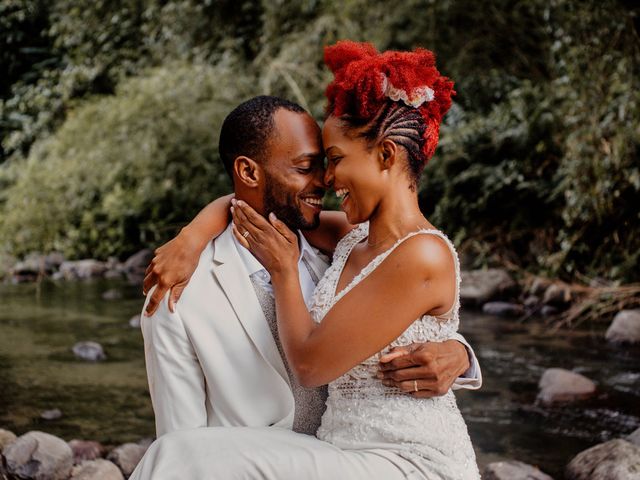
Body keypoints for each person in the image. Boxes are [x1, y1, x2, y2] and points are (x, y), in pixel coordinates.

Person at [131, 41, 480, 479]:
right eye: (309, 166)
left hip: (393, 461)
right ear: (250, 172)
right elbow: (247, 206)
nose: (326, 181)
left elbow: (318, 362)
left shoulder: (392, 249)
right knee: (177, 453)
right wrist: (192, 236)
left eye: (331, 162)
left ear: (386, 155)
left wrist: (461, 356)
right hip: (317, 457)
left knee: (176, 457)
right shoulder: (348, 241)